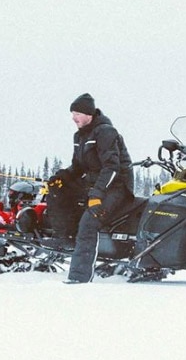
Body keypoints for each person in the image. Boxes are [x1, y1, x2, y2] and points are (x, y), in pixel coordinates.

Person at [51, 93, 134, 284]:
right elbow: (78, 166)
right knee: (59, 196)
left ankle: (79, 278)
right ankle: (61, 241)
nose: (74, 118)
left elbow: (112, 168)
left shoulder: (105, 132)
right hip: (95, 183)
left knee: (90, 221)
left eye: (77, 113)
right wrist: (62, 177)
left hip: (116, 186)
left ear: (89, 114)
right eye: (72, 113)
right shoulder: (80, 136)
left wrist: (97, 195)